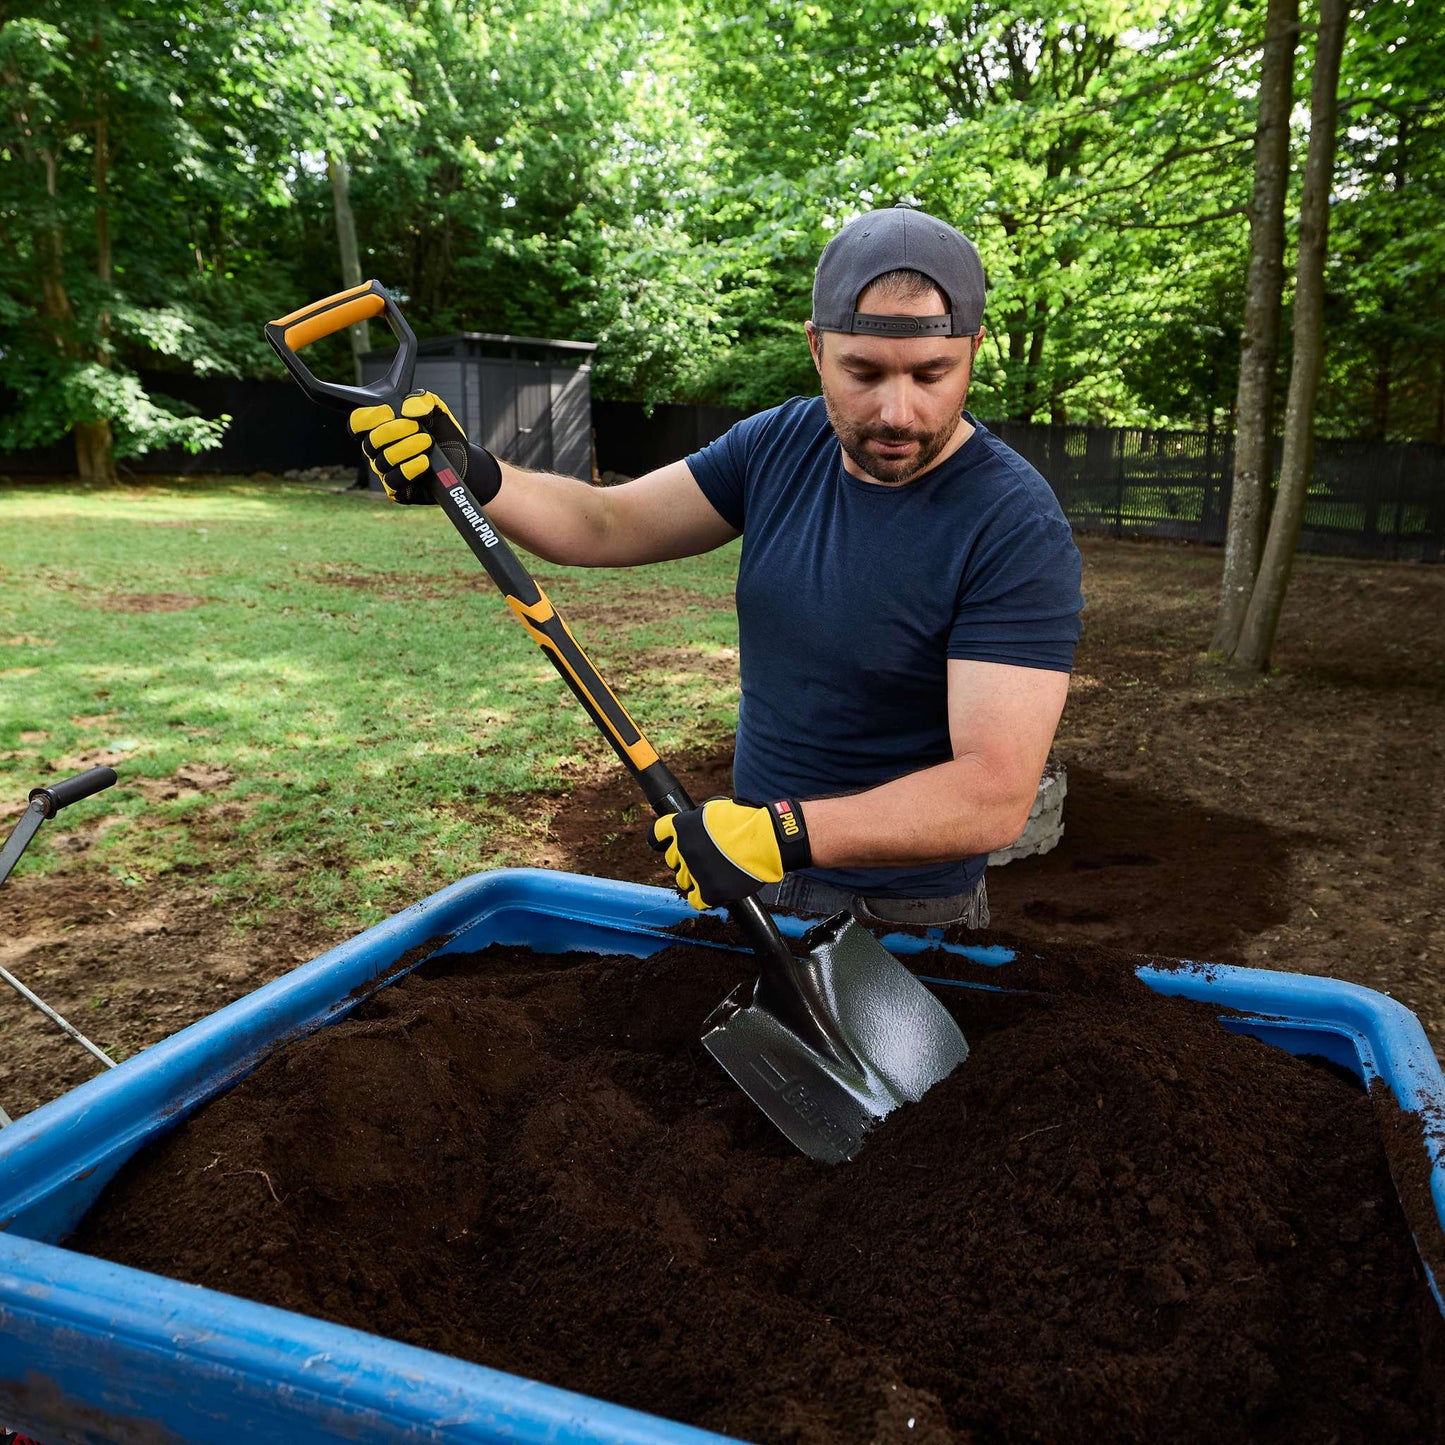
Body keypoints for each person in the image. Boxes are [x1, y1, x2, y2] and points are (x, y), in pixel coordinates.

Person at [350, 203, 1084, 930]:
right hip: (752, 883)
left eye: (931, 374)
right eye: (863, 371)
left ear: (973, 351)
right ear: (815, 348)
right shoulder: (779, 446)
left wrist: (782, 834)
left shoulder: (1011, 523)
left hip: (905, 915)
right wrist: (474, 472)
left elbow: (991, 793)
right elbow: (607, 522)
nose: (897, 411)